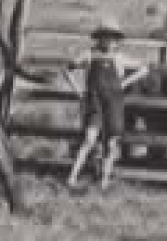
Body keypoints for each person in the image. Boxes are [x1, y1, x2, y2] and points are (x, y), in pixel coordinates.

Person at [64, 14, 150, 190]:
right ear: (99, 37)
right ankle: (71, 178)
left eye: (113, 37)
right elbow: (67, 70)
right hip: (94, 104)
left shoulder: (120, 58)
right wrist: (78, 90)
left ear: (117, 40)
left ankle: (104, 181)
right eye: (106, 36)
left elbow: (144, 69)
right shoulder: (88, 55)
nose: (109, 41)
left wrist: (124, 82)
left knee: (111, 144)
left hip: (114, 104)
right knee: (89, 139)